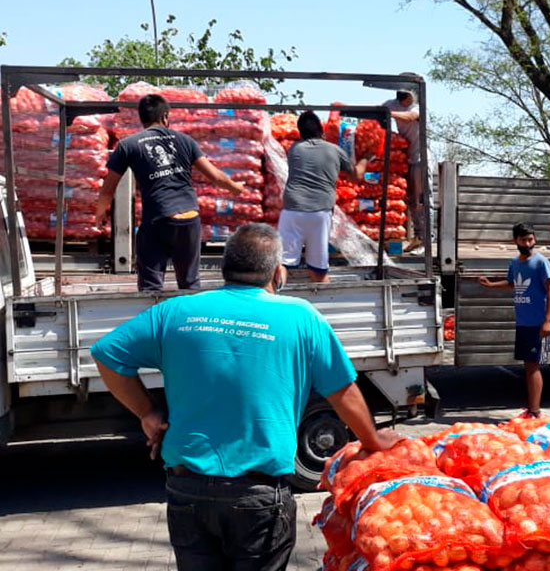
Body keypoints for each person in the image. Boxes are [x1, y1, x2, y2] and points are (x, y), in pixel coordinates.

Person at [90, 223, 402, 570]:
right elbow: (342, 392)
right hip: (259, 497)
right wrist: (371, 439)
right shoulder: (300, 318)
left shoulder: (174, 312)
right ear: (277, 272)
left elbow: (107, 354)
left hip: (188, 489)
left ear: (224, 268)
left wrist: (146, 412)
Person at [95, 93, 244, 292]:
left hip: (158, 218)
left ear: (141, 118)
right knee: (190, 283)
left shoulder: (128, 145)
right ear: (166, 116)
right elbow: (215, 176)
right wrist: (236, 188)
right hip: (189, 218)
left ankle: (154, 319)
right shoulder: (185, 141)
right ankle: (190, 320)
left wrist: (100, 213)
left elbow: (108, 187)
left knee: (151, 285)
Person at [478, 222, 550, 418]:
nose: (528, 243)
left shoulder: (541, 262)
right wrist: (491, 285)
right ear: (516, 241)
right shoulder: (515, 263)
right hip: (523, 323)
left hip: (538, 324)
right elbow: (513, 283)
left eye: (531, 239)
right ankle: (532, 409)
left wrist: (547, 320)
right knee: (528, 366)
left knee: (533, 366)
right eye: (523, 239)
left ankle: (535, 411)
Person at [279, 111, 368, 283]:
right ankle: (327, 302)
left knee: (283, 265)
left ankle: (273, 298)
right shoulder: (335, 150)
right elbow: (355, 176)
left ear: (300, 133)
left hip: (292, 210)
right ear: (321, 130)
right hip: (320, 213)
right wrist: (365, 157)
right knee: (318, 270)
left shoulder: (294, 149)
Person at [383, 87, 430, 252]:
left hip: (419, 159)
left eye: (405, 95)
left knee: (421, 200)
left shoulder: (417, 108)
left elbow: (410, 117)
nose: (401, 98)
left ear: (412, 96)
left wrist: (389, 113)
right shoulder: (391, 104)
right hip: (405, 158)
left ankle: (426, 241)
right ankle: (418, 236)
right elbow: (377, 113)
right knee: (409, 200)